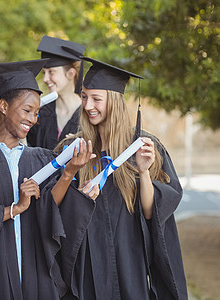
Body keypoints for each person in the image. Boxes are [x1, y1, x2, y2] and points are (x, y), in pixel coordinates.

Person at [0, 59, 95, 300]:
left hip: (35, 269)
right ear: (3, 106)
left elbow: (50, 210)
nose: (33, 119)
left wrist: (69, 173)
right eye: (26, 110)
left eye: (36, 113)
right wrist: (15, 208)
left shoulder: (43, 158)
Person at [58, 57, 187, 299]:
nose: (87, 106)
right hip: (85, 265)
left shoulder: (144, 146)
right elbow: (55, 211)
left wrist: (144, 171)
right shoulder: (73, 149)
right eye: (84, 97)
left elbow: (152, 213)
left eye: (97, 99)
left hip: (129, 261)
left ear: (115, 102)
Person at [27, 35, 86, 150]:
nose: (45, 79)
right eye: (44, 73)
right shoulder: (40, 114)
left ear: (70, 74)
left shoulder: (87, 115)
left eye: (51, 72)